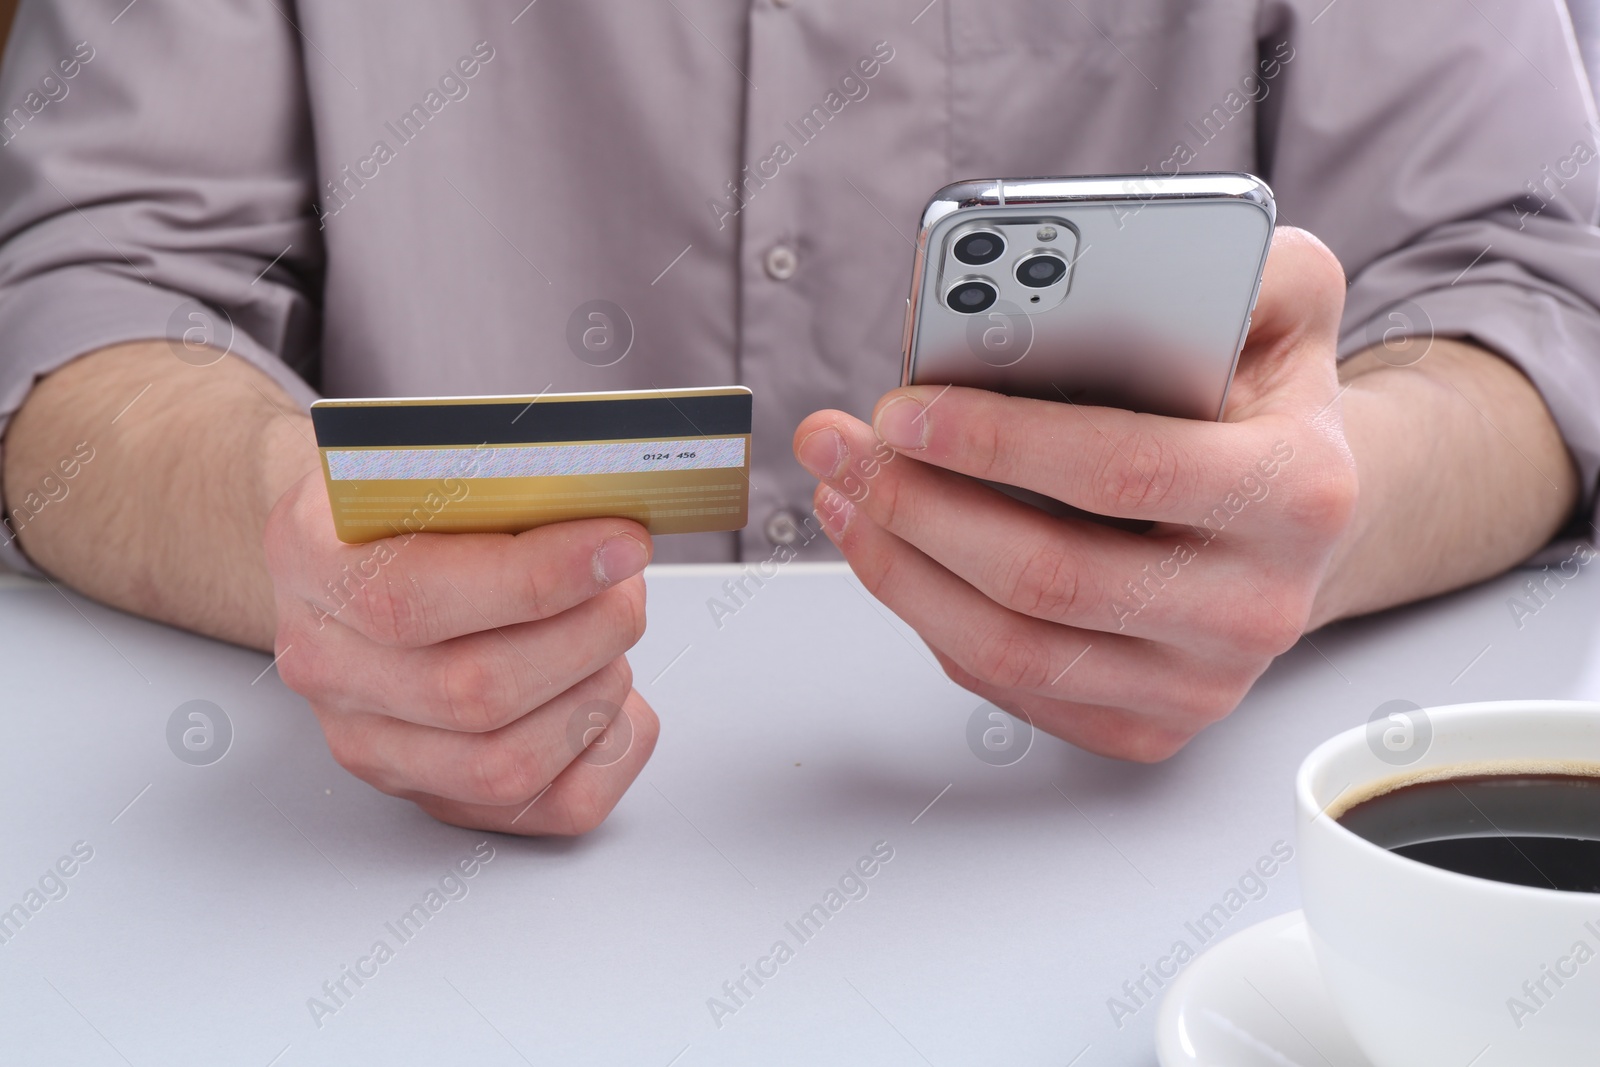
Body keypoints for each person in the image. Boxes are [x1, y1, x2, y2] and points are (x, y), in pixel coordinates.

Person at [0, 1, 1597, 835]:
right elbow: (81, 294)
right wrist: (282, 530)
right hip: (355, 874)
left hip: (1173, 876)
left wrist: (1336, 498)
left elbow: (1538, 284)